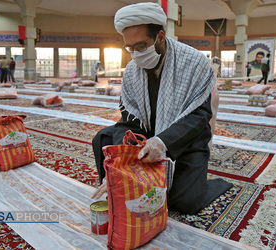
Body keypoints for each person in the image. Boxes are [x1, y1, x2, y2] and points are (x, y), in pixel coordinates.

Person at [91, 2, 232, 215]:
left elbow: (200, 116)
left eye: (141, 46)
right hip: (147, 133)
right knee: (103, 140)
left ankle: (214, 183)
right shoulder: (132, 71)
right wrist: (125, 158)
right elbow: (128, 119)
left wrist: (162, 142)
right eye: (130, 48)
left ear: (160, 37)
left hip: (185, 139)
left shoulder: (193, 62)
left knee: (186, 202)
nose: (136, 54)